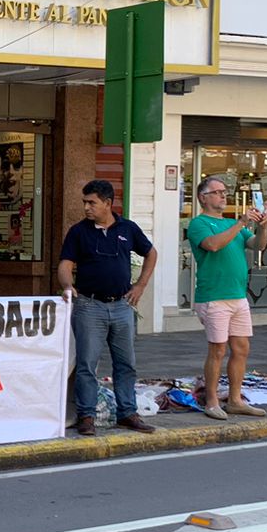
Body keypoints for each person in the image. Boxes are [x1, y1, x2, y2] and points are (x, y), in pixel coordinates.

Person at [56, 179, 157, 436]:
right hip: (89, 305)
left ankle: (128, 412)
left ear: (108, 203)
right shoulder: (79, 232)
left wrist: (141, 285)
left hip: (121, 305)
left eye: (92, 202)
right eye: (84, 203)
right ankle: (86, 415)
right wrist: (67, 285)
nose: (87, 208)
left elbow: (151, 252)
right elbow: (65, 264)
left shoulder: (127, 228)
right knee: (87, 363)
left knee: (126, 363)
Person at [186, 178, 267, 421]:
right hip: (214, 296)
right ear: (203, 197)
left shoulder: (233, 224)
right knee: (218, 350)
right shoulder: (199, 223)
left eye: (225, 192)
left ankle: (235, 400)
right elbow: (213, 245)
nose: (223, 196)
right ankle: (211, 401)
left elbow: (257, 245)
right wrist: (242, 222)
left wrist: (263, 227)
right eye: (217, 192)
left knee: (241, 349)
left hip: (237, 296)